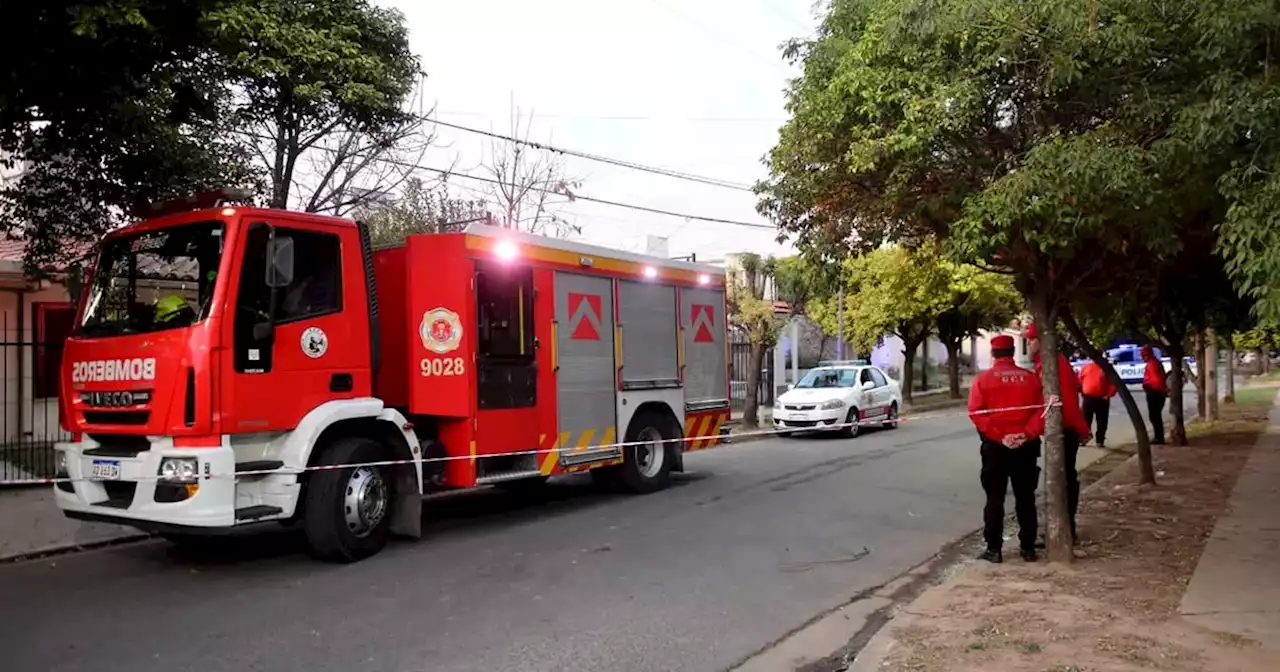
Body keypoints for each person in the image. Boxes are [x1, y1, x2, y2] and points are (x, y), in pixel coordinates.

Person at [968, 334, 1046, 563]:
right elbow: (1041, 410)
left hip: (996, 448)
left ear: (993, 354)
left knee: (994, 499)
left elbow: (977, 413)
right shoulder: (1031, 379)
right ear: (1012, 352)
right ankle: (1028, 548)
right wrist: (1026, 434)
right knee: (1026, 498)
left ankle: (994, 549)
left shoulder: (983, 380)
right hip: (1027, 447)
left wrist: (1002, 437)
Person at [1025, 323, 1092, 544]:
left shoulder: (1054, 365)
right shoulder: (1046, 364)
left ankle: (1065, 531)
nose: (1028, 344)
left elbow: (1065, 403)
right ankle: (1063, 529)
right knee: (1063, 478)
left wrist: (1081, 428)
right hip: (1063, 428)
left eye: (1031, 340)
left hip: (1065, 430)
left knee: (1064, 480)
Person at [1077, 358, 1117, 449]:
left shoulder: (1106, 368)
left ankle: (1100, 440)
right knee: (1085, 419)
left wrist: (1108, 395)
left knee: (1102, 421)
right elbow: (1080, 380)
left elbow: (1113, 384)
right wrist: (1082, 391)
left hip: (1102, 398)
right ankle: (1084, 438)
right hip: (1088, 398)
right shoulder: (1086, 367)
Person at [1142, 345, 1168, 445]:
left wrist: (1151, 387)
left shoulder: (1152, 364)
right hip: (1157, 392)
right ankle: (1158, 436)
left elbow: (1156, 380)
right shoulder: (1154, 362)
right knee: (1155, 416)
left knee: (1154, 416)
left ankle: (1159, 437)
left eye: (1143, 355)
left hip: (1155, 392)